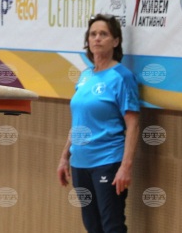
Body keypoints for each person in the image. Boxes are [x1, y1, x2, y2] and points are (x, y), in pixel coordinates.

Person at [57, 14, 140, 233]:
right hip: (80, 164)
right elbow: (79, 123)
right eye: (93, 34)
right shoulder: (85, 76)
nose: (97, 38)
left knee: (112, 226)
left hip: (108, 162)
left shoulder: (122, 77)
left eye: (103, 34)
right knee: (92, 226)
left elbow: (133, 125)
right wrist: (65, 157)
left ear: (115, 41)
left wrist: (125, 167)